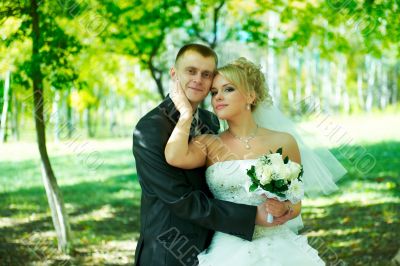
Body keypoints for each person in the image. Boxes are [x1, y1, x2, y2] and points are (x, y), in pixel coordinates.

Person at [132, 44, 293, 266]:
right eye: (191, 71)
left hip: (216, 245)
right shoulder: (149, 129)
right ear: (174, 74)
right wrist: (251, 216)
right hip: (169, 252)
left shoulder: (210, 120)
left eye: (206, 74)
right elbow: (182, 200)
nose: (198, 79)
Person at [165, 57, 326, 265]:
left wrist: (284, 209)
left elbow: (295, 204)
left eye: (228, 89)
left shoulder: (284, 141)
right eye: (214, 93)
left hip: (279, 246)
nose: (218, 98)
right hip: (228, 248)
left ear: (250, 96)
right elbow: (174, 155)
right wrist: (186, 114)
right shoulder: (207, 143)